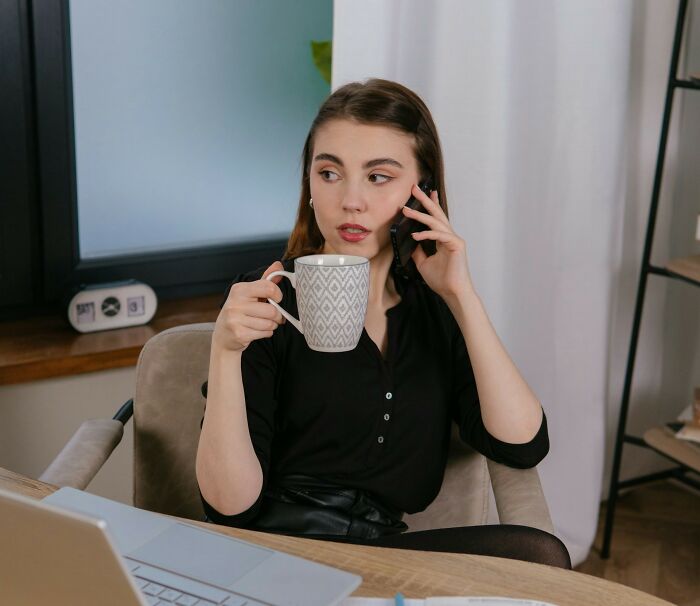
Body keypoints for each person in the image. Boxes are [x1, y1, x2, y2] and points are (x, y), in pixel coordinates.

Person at [195, 79, 571, 569]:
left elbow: (521, 445)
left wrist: (461, 296)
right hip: (274, 553)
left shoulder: (435, 310)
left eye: (378, 177)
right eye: (329, 172)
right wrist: (224, 352)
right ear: (309, 185)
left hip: (381, 556)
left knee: (538, 557)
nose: (351, 200)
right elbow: (228, 508)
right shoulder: (267, 297)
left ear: (422, 192)